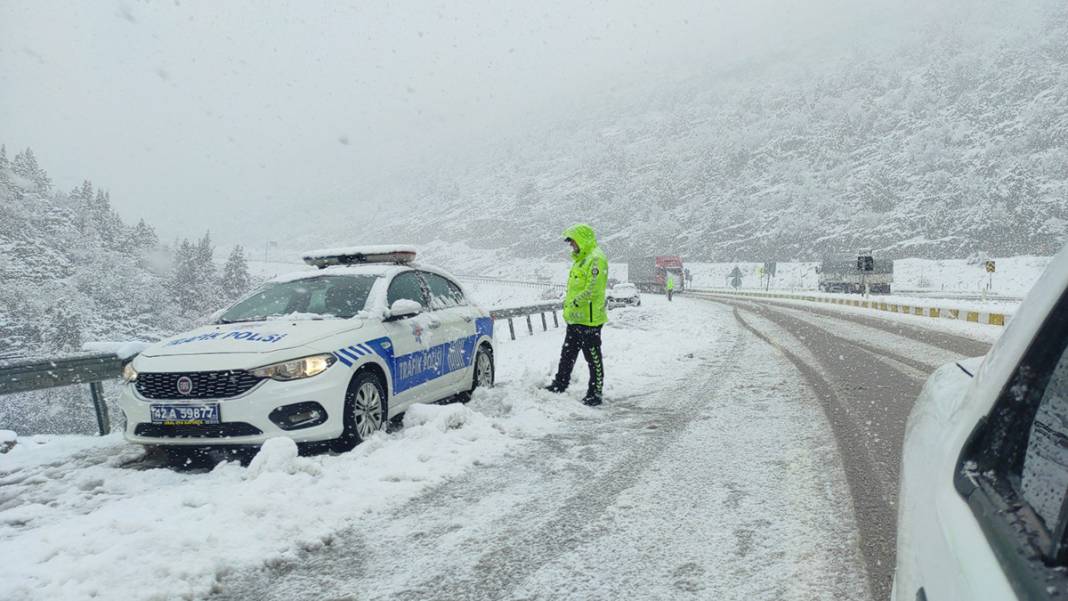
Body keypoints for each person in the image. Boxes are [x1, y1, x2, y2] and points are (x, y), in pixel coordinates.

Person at [545, 223, 608, 406]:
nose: (571, 246)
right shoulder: (581, 259)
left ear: (582, 240)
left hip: (589, 320)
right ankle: (560, 383)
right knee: (567, 353)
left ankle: (595, 392)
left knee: (593, 357)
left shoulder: (596, 259)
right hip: (575, 318)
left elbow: (593, 289)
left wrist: (574, 302)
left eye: (573, 242)